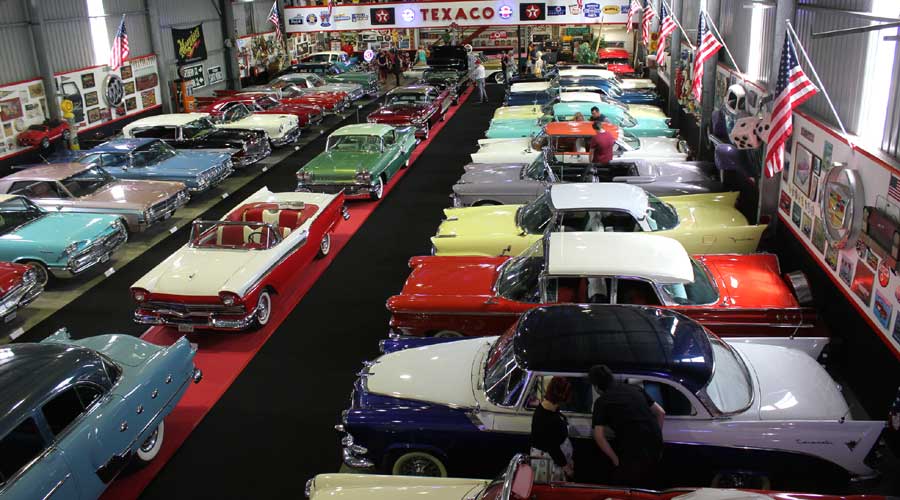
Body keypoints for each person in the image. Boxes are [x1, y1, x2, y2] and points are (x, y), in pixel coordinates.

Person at [589, 365, 665, 487]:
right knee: (649, 482)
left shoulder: (601, 402)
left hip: (634, 452)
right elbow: (661, 412)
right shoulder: (635, 388)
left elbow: (599, 436)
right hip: (656, 446)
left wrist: (615, 460)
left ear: (596, 387)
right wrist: (657, 436)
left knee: (625, 486)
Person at [530, 377, 575, 481]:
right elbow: (553, 449)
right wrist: (568, 469)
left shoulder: (547, 408)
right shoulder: (548, 419)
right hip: (550, 464)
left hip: (555, 459)